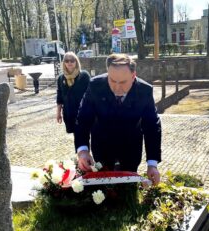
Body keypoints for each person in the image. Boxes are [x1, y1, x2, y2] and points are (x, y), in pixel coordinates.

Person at [74, 53, 161, 185]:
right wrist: (83, 150)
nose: (117, 88)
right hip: (102, 145)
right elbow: (83, 118)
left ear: (133, 76)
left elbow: (152, 127)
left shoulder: (144, 91)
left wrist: (152, 164)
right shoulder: (95, 86)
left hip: (130, 147)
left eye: (123, 82)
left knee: (128, 187)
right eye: (112, 81)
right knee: (102, 187)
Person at [56, 52, 90, 134]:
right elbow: (59, 97)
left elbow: (91, 94)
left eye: (72, 60)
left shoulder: (84, 76)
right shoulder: (61, 78)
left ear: (76, 61)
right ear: (64, 63)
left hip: (83, 112)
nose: (69, 63)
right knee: (77, 136)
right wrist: (58, 113)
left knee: (84, 135)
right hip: (69, 112)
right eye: (67, 61)